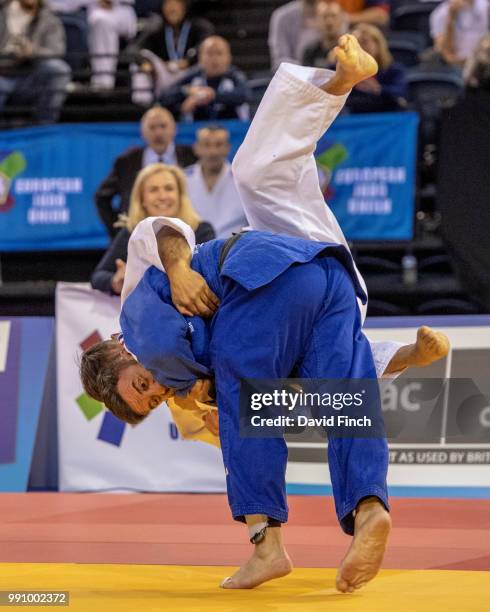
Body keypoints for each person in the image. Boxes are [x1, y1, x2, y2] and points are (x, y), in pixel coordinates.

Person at [80, 36, 450, 593]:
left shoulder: (137, 317)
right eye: (152, 400)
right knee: (338, 391)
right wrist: (407, 356)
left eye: (141, 384)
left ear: (114, 349)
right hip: (325, 280)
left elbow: (159, 231)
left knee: (253, 173)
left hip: (267, 265)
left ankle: (267, 543)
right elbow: (322, 372)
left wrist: (178, 270)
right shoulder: (185, 396)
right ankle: (370, 506)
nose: (158, 389)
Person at [91, 162, 215, 295]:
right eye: (153, 190)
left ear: (180, 195)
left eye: (169, 188)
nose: (162, 196)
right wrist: (115, 281)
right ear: (142, 199)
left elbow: (210, 275)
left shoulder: (201, 230)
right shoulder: (131, 232)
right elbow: (98, 276)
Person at [94, 105, 196, 237]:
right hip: (139, 236)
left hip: (184, 232)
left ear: (174, 129)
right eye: (152, 127)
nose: (158, 133)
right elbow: (102, 197)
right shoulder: (127, 161)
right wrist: (119, 231)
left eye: (163, 126)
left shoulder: (192, 156)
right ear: (142, 132)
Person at [129, 0, 214, 104]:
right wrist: (146, 63)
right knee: (139, 61)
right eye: (168, 5)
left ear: (183, 7)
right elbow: (134, 48)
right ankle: (144, 104)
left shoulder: (198, 26)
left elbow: (206, 42)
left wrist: (189, 60)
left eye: (176, 5)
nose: (172, 9)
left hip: (191, 74)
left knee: (209, 50)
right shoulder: (158, 28)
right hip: (166, 73)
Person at [0, 0, 71, 123]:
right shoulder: (3, 13)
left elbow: (57, 51)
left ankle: (44, 127)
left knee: (59, 69)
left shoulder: (49, 19)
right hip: (2, 74)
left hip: (30, 76)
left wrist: (33, 52)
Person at [160, 36, 251, 121]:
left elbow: (245, 95)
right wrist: (187, 92)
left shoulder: (235, 75)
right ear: (200, 57)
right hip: (196, 131)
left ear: (228, 57)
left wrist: (211, 96)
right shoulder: (193, 75)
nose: (214, 59)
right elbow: (165, 96)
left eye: (219, 53)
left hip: (233, 130)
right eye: (210, 53)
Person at [185, 125, 247, 239]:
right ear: (196, 148)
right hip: (192, 248)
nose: (213, 152)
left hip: (233, 246)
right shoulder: (183, 179)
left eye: (218, 145)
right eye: (206, 145)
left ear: (228, 148)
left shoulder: (242, 179)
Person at [346, 24, 407, 113]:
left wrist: (378, 89)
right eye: (355, 45)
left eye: (364, 42)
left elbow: (401, 92)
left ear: (378, 44)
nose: (359, 48)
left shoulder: (394, 71)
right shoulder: (345, 73)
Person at [430, 0, 489, 68]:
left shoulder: (486, 6)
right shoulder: (440, 14)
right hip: (455, 67)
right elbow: (445, 55)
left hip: (482, 64)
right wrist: (451, 17)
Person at [268, 0, 321, 70]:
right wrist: (309, 68)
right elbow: (279, 61)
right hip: (295, 75)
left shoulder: (336, 12)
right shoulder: (282, 17)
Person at [302, 0, 349, 68]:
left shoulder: (351, 48)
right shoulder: (310, 51)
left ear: (342, 19)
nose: (329, 21)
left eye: (334, 16)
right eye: (324, 16)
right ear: (316, 20)